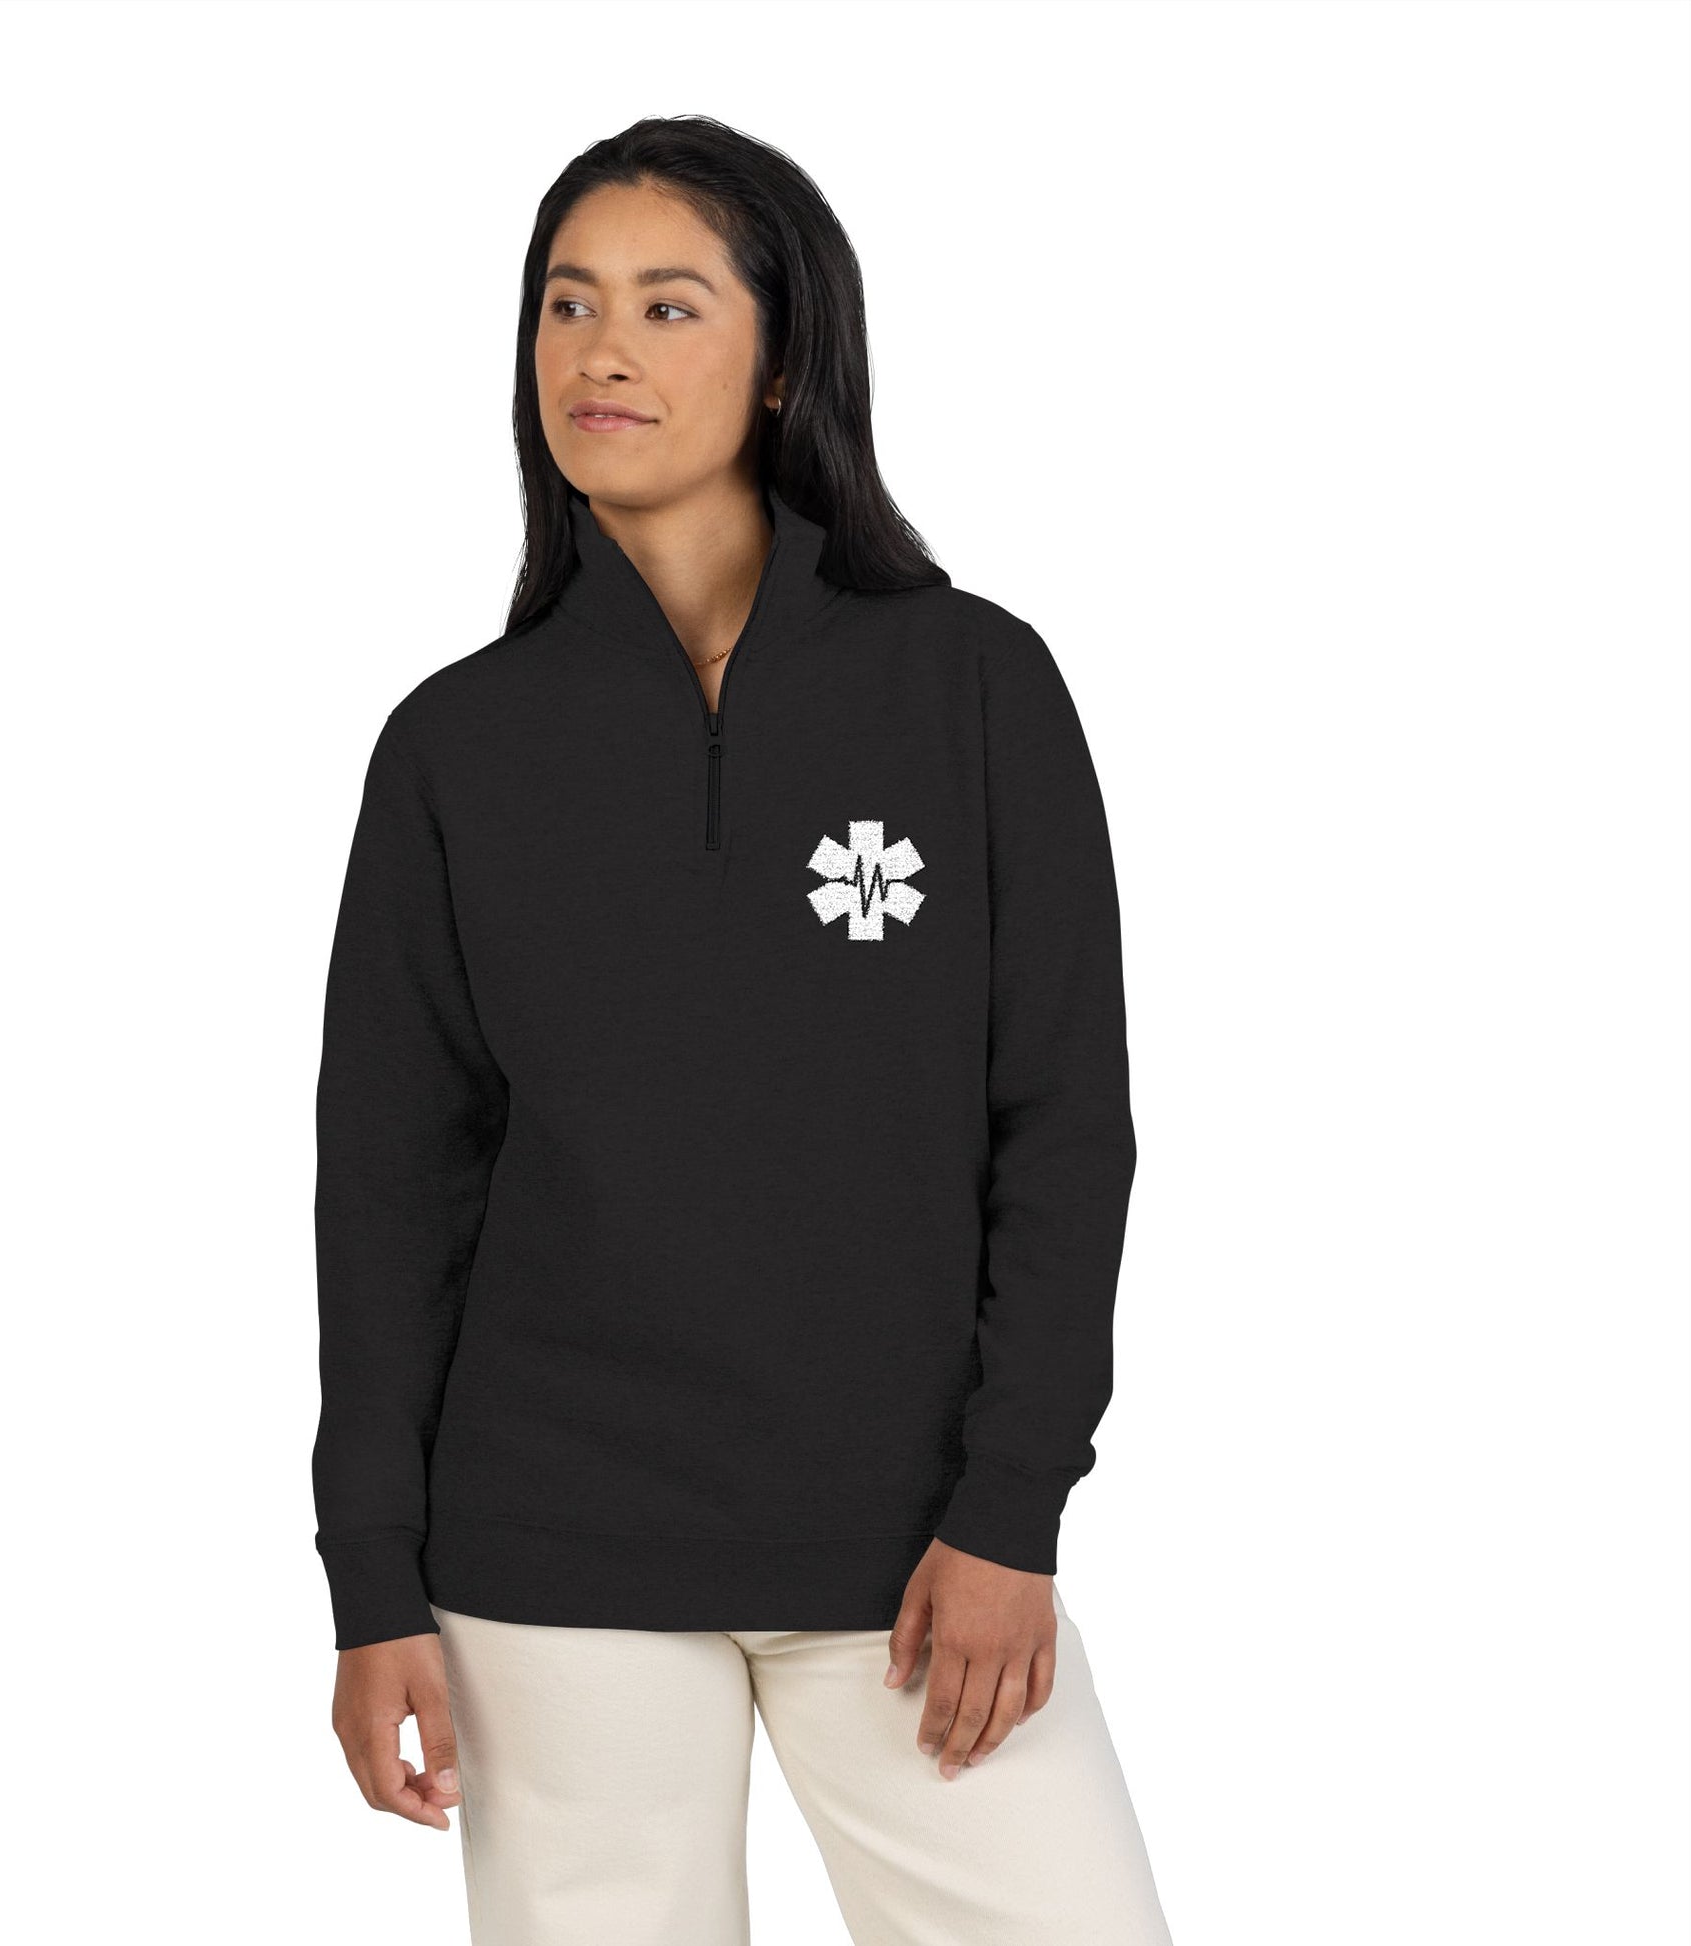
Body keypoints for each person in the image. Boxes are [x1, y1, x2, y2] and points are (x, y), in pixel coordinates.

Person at [312, 115, 1174, 1945]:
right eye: (566, 304)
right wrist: (370, 1574)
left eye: (666, 304)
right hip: (551, 1549)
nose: (599, 352)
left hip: (916, 1548)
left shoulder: (970, 685)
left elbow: (1062, 1124)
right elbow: (389, 1189)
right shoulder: (458, 745)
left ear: (783, 359)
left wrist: (1012, 1505)